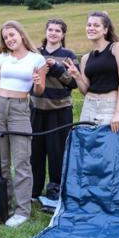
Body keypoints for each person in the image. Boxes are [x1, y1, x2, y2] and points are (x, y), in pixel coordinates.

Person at [0, 20, 46, 227]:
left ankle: (22, 211)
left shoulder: (37, 60)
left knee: (21, 162)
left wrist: (37, 84)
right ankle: (4, 206)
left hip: (20, 109)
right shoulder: (0, 59)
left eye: (12, 35)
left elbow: (39, 91)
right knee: (0, 163)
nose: (9, 39)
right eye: (5, 37)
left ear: (21, 34)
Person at [30, 18, 78, 202]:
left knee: (57, 151)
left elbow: (73, 82)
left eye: (58, 30)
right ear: (46, 31)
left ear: (63, 34)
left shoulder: (68, 55)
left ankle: (55, 190)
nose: (53, 33)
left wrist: (57, 69)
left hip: (60, 110)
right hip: (36, 108)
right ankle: (34, 191)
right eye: (50, 29)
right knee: (35, 151)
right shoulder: (34, 53)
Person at [64, 11, 119, 133]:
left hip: (110, 106)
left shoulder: (116, 48)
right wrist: (77, 76)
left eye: (96, 25)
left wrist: (118, 113)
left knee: (108, 147)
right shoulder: (85, 58)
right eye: (89, 25)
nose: (91, 28)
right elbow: (85, 91)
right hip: (89, 106)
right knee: (88, 147)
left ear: (105, 30)